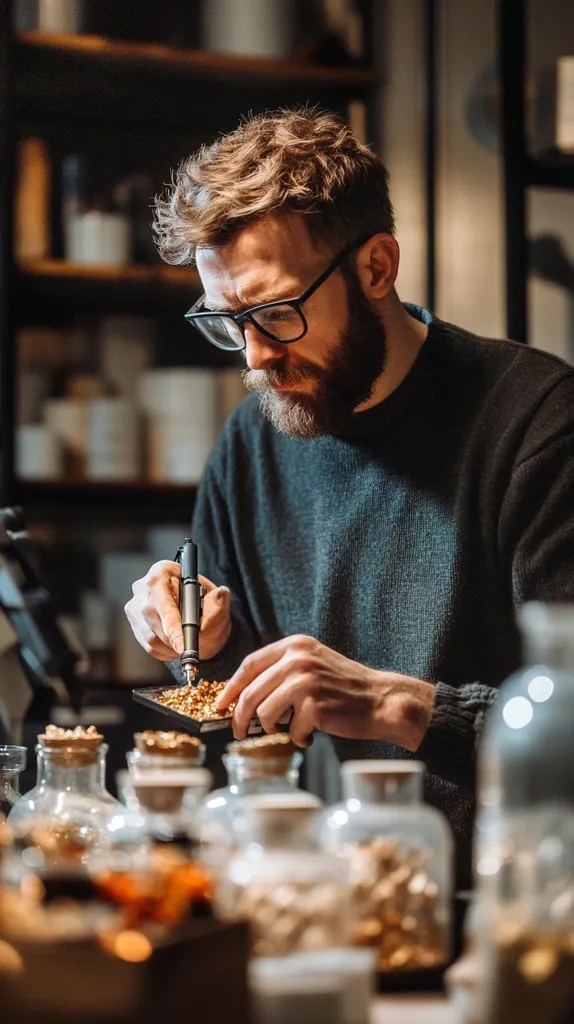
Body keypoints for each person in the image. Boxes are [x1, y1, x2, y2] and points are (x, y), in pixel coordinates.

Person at [125, 107, 574, 885]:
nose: (257, 357)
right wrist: (198, 644)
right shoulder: (251, 443)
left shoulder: (536, 422)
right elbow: (245, 725)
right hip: (322, 895)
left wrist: (400, 707)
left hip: (517, 911)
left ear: (376, 267)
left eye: (275, 313)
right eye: (227, 323)